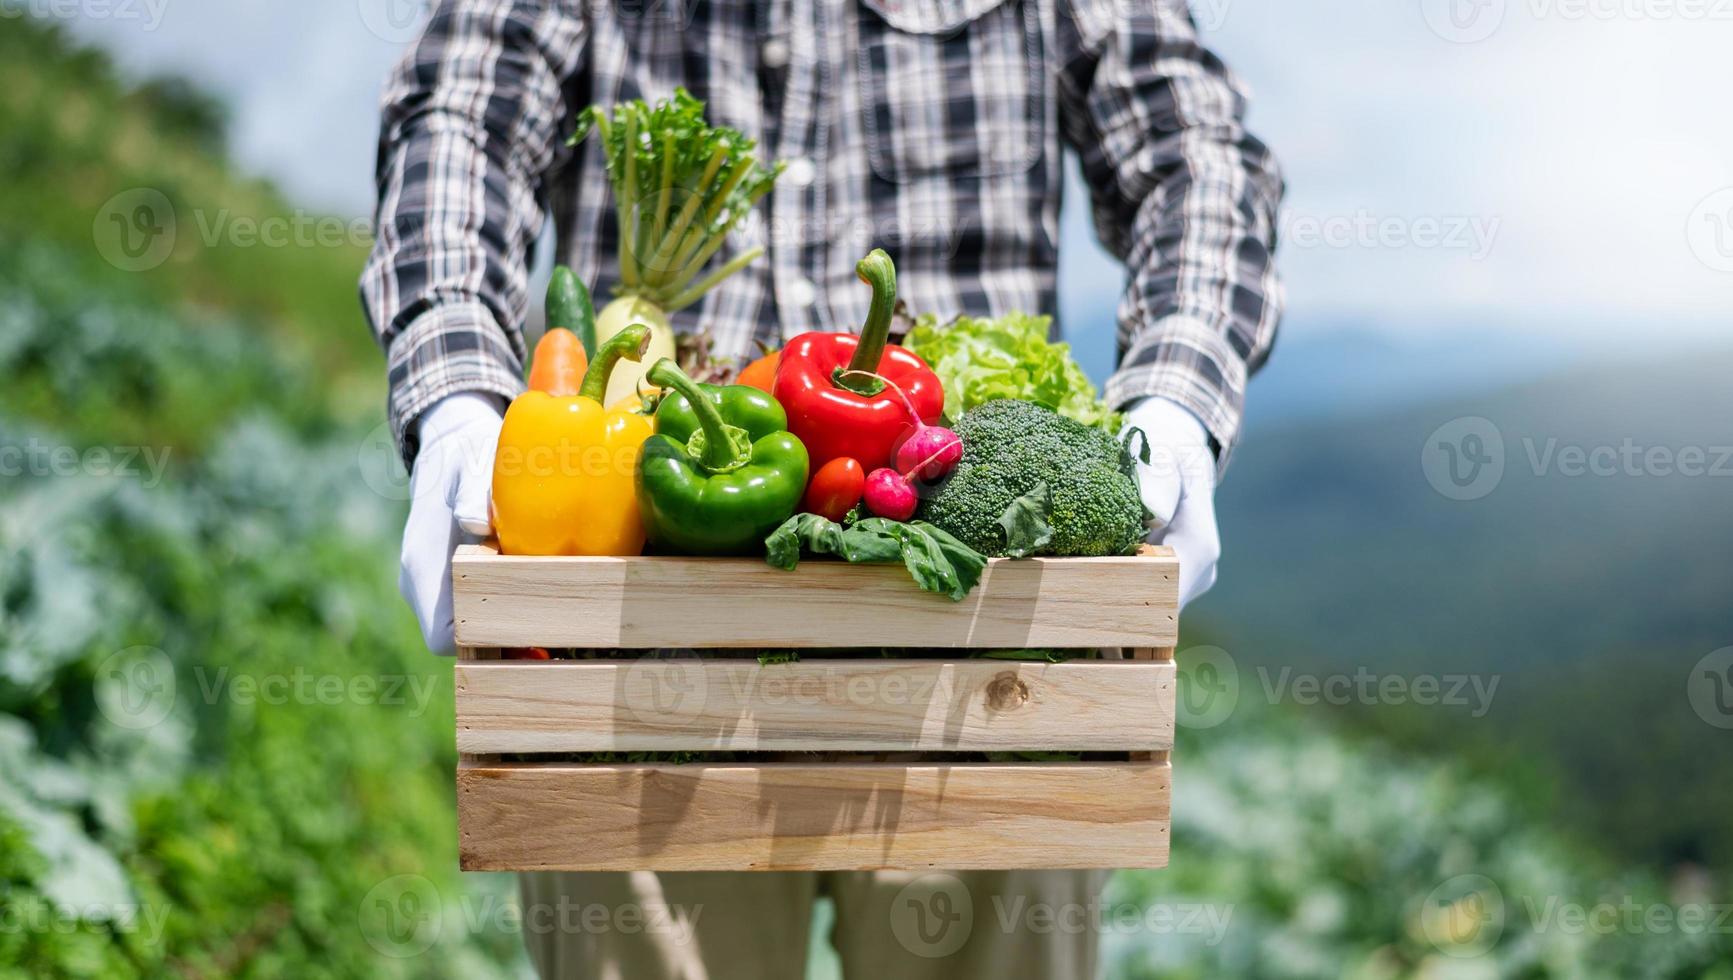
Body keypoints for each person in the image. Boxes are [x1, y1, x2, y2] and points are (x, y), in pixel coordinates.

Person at [361, 1, 1281, 976]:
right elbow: (460, 120)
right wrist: (456, 382)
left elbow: (1198, 155)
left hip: (981, 637)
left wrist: (1177, 394)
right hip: (643, 632)